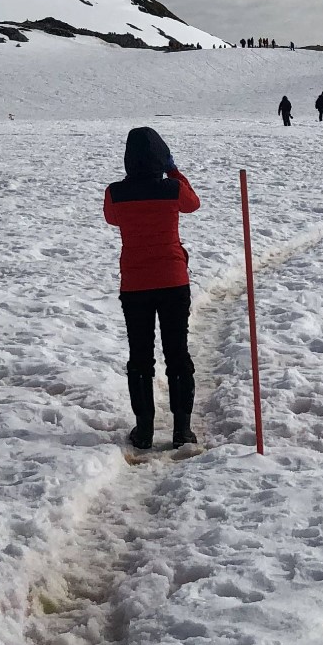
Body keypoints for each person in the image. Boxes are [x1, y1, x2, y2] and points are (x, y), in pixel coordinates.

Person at [103, 127, 200, 450]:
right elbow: (193, 203)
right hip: (173, 280)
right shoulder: (171, 189)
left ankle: (144, 428)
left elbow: (112, 219)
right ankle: (182, 429)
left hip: (135, 283)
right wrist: (173, 169)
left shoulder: (115, 193)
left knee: (140, 357)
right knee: (177, 353)